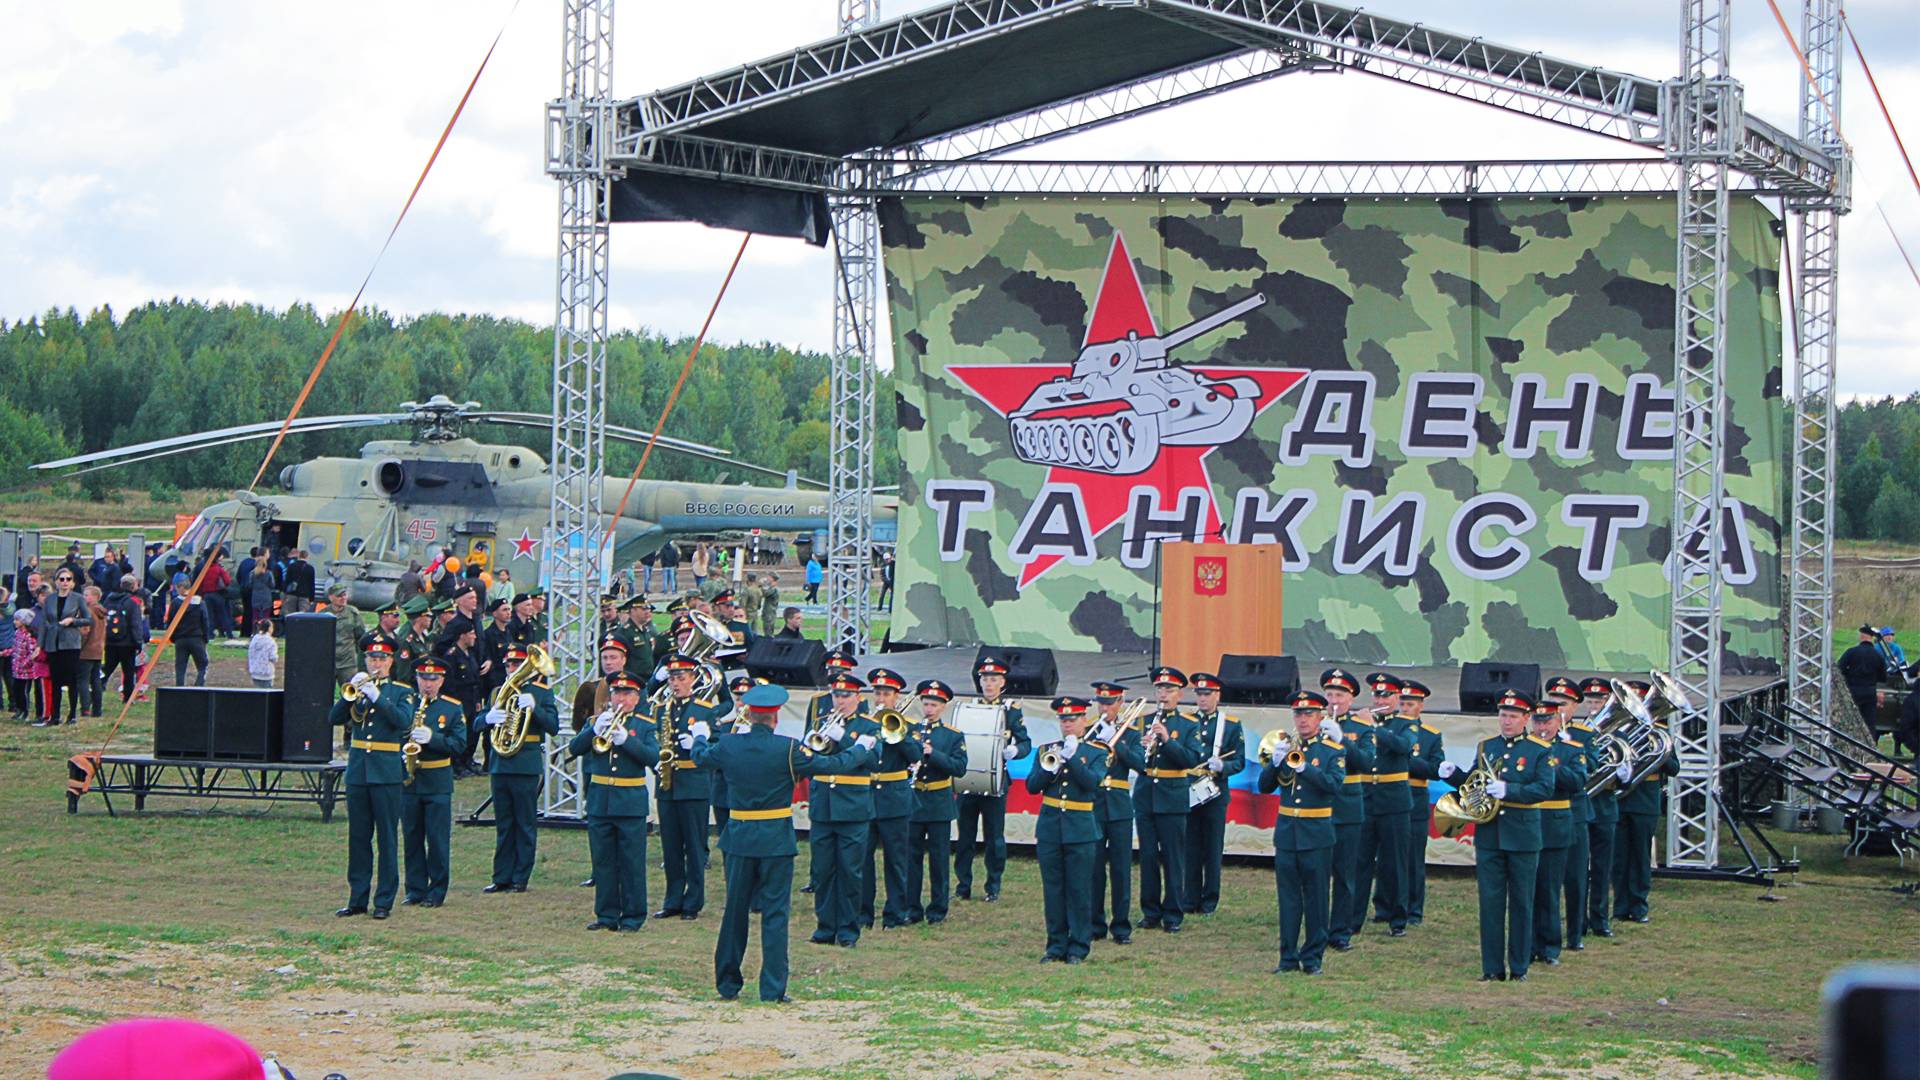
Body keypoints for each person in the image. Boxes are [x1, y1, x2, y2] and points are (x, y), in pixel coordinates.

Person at [691, 682, 875, 1002]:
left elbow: (701, 757)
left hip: (739, 837)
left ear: (748, 714)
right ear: (775, 717)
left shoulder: (730, 746)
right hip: (775, 838)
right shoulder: (789, 749)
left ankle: (727, 983)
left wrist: (699, 736)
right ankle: (773, 988)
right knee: (775, 915)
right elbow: (831, 765)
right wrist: (860, 750)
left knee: (735, 912)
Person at [1442, 688, 1558, 982]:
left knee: (1521, 902)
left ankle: (1519, 967)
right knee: (1490, 904)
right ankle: (1491, 968)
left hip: (1522, 836)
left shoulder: (1539, 751)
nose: (1506, 721)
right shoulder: (1486, 747)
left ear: (1526, 718)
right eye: (1503, 715)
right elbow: (1474, 785)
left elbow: (1544, 789)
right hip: (1490, 836)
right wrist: (1454, 775)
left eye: (1513, 716)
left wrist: (1510, 791)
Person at [1259, 690, 1346, 975]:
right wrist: (1274, 763)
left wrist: (1305, 767)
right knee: (1288, 899)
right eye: (1298, 713)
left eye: (1309, 714)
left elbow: (1333, 786)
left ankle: (1312, 958)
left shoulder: (1332, 750)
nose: (1303, 719)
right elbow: (1265, 787)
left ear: (1321, 717)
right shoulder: (1286, 745)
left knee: (1317, 899)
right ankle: (1287, 957)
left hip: (1316, 834)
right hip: (1287, 833)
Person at [568, 669, 657, 931]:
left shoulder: (644, 725)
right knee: (603, 861)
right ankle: (606, 915)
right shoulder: (597, 720)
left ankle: (632, 916)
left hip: (629, 802)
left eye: (627, 693)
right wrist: (593, 729)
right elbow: (575, 749)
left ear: (637, 697)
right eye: (617, 692)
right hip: (600, 801)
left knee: (631, 862)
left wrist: (626, 741)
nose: (621, 699)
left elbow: (653, 758)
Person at [1025, 695, 1106, 963]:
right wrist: (1053, 766)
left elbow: (1092, 784)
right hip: (1050, 828)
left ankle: (1078, 946)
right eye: (1063, 719)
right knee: (1053, 889)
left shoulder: (1096, 752)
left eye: (1073, 719)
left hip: (1080, 829)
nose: (1068, 724)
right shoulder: (1047, 748)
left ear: (1084, 720)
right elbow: (1032, 786)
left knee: (1079, 889)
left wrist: (1071, 759)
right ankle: (1055, 945)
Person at [331, 640, 409, 919]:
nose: (376, 663)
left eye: (381, 658)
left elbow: (403, 721)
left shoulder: (401, 691)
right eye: (371, 659)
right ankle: (357, 898)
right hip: (359, 772)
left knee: (387, 838)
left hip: (386, 773)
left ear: (390, 661)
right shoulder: (358, 692)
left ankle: (384, 900)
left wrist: (378, 698)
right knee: (358, 837)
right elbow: (333, 717)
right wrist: (349, 695)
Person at [478, 643, 560, 893]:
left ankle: (520, 876)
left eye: (517, 664)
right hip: (501, 763)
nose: (513, 669)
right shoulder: (497, 693)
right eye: (510, 665)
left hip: (525, 762)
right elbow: (476, 724)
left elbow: (553, 726)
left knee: (524, 822)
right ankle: (501, 875)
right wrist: (487, 719)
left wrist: (534, 709)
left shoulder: (542, 692)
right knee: (504, 823)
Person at [807, 671, 881, 946]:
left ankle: (849, 928)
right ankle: (825, 926)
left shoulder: (869, 726)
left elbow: (874, 761)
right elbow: (810, 758)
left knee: (851, 871)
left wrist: (845, 739)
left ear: (858, 698)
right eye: (837, 695)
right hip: (823, 806)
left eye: (846, 696)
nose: (840, 701)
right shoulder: (821, 722)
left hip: (853, 808)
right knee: (823, 870)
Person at [955, 656, 1032, 902]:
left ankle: (993, 885)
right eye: (985, 679)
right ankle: (962, 885)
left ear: (1003, 682)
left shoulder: (1010, 710)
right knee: (964, 837)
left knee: (994, 837)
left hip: (996, 781)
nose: (988, 684)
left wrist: (1015, 751)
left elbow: (1026, 743)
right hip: (968, 781)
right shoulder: (970, 708)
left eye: (994, 679)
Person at [1136, 665, 1203, 932]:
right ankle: (1150, 912)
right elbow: (1134, 761)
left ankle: (1173, 913)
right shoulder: (1144, 721)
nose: (1163, 694)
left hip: (1173, 796)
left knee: (1174, 858)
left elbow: (1191, 759)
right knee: (1148, 856)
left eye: (1169, 690)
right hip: (1146, 795)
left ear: (1179, 693)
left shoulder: (1188, 724)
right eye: (1160, 689)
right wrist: (1139, 747)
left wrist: (1166, 740)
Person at [654, 651, 721, 920]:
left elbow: (718, 747)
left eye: (681, 678)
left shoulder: (705, 710)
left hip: (694, 783)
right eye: (672, 678)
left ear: (693, 679)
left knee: (694, 846)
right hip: (668, 784)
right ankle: (672, 899)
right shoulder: (661, 709)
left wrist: (699, 746)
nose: (676, 683)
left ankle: (693, 901)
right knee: (670, 846)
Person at [399, 655, 467, 909]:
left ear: (442, 680)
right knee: (412, 837)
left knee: (437, 840)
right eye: (423, 678)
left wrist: (433, 738)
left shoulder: (451, 708)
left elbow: (459, 745)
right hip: (410, 780)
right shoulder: (406, 704)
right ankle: (415, 889)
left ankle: (436, 891)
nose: (427, 684)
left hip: (437, 780)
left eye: (433, 679)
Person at [860, 667, 924, 930]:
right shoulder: (864, 724)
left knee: (896, 860)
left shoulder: (908, 726)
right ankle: (863, 914)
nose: (881, 698)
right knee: (862, 861)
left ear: (896, 697)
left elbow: (916, 755)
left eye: (886, 694)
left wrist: (896, 733)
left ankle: (895, 913)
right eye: (878, 693)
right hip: (866, 798)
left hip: (895, 799)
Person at [1528, 693, 1587, 967]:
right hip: (1526, 822)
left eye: (1548, 721)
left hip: (1555, 823)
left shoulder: (1571, 749)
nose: (1543, 727)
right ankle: (1527, 944)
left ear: (1558, 720)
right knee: (1526, 889)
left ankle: (1550, 946)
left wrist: (1549, 766)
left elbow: (1577, 781)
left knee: (1550, 888)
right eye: (1538, 721)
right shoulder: (1522, 747)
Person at [1355, 672, 1415, 937]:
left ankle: (1397, 917)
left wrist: (1374, 728)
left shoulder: (1405, 723)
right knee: (1360, 861)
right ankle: (1353, 918)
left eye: (1386, 695)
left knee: (1395, 862)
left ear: (1397, 697)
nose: (1380, 698)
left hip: (1394, 800)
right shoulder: (1361, 723)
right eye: (1377, 694)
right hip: (1367, 796)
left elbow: (1404, 747)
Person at [1612, 688, 1678, 926]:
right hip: (1620, 799)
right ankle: (1620, 906)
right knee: (1618, 857)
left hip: (1645, 801)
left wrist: (1657, 755)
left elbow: (1674, 768)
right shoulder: (1618, 730)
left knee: (1640, 856)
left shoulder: (1660, 732)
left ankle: (1639, 907)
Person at [905, 679, 968, 925]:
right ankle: (912, 908)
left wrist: (934, 754)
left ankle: (937, 909)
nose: (928, 709)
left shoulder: (952, 735)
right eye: (926, 703)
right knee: (912, 858)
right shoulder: (911, 731)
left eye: (933, 705)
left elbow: (959, 768)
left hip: (939, 801)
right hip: (915, 800)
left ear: (943, 707)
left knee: (939, 859)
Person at [1183, 671, 1245, 915]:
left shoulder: (1229, 724)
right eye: (1199, 694)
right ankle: (1190, 898)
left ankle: (1209, 900)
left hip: (1215, 792)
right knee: (1191, 847)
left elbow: (1239, 760)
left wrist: (1223, 768)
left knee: (1212, 848)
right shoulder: (1188, 721)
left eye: (1207, 694)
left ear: (1217, 695)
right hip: (1190, 789)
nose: (1202, 699)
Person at [1321, 668, 1374, 952]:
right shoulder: (1312, 725)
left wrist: (1343, 739)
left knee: (1345, 872)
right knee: (1316, 872)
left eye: (1339, 695)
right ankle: (1317, 926)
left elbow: (1366, 763)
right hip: (1318, 807)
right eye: (1329, 695)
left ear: (1351, 698)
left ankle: (1341, 930)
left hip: (1348, 807)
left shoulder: (1363, 730)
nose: (1333, 701)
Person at [1088, 681, 1144, 944]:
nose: (1105, 708)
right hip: (1095, 805)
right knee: (1094, 868)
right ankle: (1094, 924)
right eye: (1101, 703)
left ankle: (1121, 927)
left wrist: (1116, 740)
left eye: (1110, 703)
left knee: (1121, 869)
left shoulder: (1131, 733)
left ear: (1120, 703)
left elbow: (1140, 764)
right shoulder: (1089, 730)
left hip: (1120, 806)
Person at [1544, 677, 1595, 956]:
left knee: (1575, 877)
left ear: (1575, 706)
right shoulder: (1538, 734)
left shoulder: (1584, 736)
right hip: (1544, 812)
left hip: (1574, 812)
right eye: (1554, 703)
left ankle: (1576, 932)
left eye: (1563, 704)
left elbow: (1590, 770)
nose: (1559, 708)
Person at [1577, 677, 1622, 939]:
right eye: (1591, 701)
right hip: (1584, 806)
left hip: (1605, 805)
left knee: (1603, 867)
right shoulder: (1577, 733)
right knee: (1579, 868)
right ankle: (1578, 917)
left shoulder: (1619, 733)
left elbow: (1626, 776)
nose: (1595, 706)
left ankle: (1600, 918)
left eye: (1600, 701)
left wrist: (1623, 768)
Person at [1398, 679, 1443, 926]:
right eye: (1402, 703)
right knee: (1387, 856)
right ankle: (1386, 905)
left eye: (1410, 703)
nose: (1405, 708)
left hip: (1414, 796)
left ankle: (1414, 909)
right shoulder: (1388, 730)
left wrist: (1405, 760)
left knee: (1413, 857)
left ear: (1421, 706)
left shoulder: (1430, 736)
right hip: (1388, 797)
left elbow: (1437, 769)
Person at [39, 565, 92, 724]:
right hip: (53, 643)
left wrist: (73, 621)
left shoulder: (78, 598)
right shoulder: (50, 599)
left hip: (70, 643)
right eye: (61, 579)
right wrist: (39, 645)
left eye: (68, 579)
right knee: (55, 680)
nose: (65, 582)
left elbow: (88, 619)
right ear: (56, 582)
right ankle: (55, 715)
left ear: (73, 583)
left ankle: (72, 715)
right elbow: (44, 622)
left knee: (71, 680)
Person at [99, 575, 149, 705]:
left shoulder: (109, 600)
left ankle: (97, 687)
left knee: (107, 668)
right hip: (127, 643)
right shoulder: (133, 602)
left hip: (110, 641)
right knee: (128, 671)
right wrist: (138, 642)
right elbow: (135, 624)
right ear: (133, 586)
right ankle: (128, 697)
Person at [161, 573, 210, 688]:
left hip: (180, 639)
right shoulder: (200, 603)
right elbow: (205, 621)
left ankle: (180, 688)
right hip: (197, 638)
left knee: (180, 667)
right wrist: (205, 637)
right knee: (202, 664)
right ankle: (199, 685)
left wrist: (172, 637)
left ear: (179, 588)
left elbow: (171, 621)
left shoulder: (175, 603)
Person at [1839, 624, 1889, 725]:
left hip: (1853, 690)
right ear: (1871, 638)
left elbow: (1840, 669)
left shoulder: (1851, 652)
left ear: (1861, 636)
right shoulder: (1878, 656)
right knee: (1869, 722)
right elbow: (1883, 677)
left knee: (1851, 721)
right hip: (1870, 692)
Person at [11, 608, 48, 723]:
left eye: (17, 619)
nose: (15, 622)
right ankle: (20, 709)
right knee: (17, 690)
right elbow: (15, 649)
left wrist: (24, 664)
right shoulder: (17, 633)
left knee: (24, 691)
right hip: (17, 668)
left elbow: (32, 654)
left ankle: (25, 711)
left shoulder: (29, 636)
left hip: (27, 670)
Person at [328, 584, 365, 688]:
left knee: (350, 693)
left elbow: (360, 637)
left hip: (348, 663)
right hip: (328, 662)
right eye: (339, 596)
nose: (343, 598)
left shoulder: (353, 613)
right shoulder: (324, 614)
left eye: (344, 595)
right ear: (331, 597)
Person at [78, 584, 107, 718]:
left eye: (86, 595)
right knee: (96, 681)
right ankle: (97, 709)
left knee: (83, 680)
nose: (84, 597)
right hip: (98, 650)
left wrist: (79, 647)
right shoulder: (101, 612)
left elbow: (85, 633)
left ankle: (85, 708)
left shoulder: (88, 612)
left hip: (87, 650)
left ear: (95, 597)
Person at [282, 548, 316, 614]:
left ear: (299, 556)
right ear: (307, 557)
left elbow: (287, 580)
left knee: (290, 614)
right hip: (304, 595)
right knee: (303, 616)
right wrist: (312, 598)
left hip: (292, 593)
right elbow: (312, 584)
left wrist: (284, 592)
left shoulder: (291, 566)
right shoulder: (310, 568)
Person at [247, 624, 277, 688]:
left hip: (254, 671)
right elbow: (273, 657)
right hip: (266, 673)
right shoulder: (270, 641)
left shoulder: (255, 638)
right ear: (269, 628)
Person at [757, 573, 781, 637]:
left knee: (768, 633)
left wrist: (761, 585)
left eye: (769, 577)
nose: (767, 579)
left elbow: (764, 593)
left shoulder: (773, 589)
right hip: (769, 612)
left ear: (772, 579)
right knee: (768, 631)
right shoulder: (772, 588)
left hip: (769, 613)